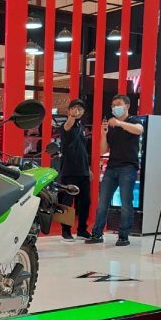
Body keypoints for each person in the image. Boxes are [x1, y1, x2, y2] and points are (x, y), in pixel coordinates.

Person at [86, 95, 143, 247]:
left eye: (118, 104)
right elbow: (103, 150)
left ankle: (123, 236)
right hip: (111, 168)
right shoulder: (111, 126)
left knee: (126, 203)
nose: (115, 107)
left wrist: (119, 123)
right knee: (103, 203)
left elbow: (139, 130)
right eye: (113, 105)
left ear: (127, 106)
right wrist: (104, 134)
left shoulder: (133, 120)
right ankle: (97, 233)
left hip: (128, 167)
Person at [59, 99, 91, 241]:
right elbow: (67, 126)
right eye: (74, 108)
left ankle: (82, 229)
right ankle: (65, 231)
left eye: (80, 109)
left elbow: (83, 150)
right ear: (69, 110)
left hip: (83, 171)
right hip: (69, 171)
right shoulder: (65, 126)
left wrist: (88, 169)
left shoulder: (82, 127)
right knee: (67, 202)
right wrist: (72, 116)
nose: (77, 111)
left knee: (85, 201)